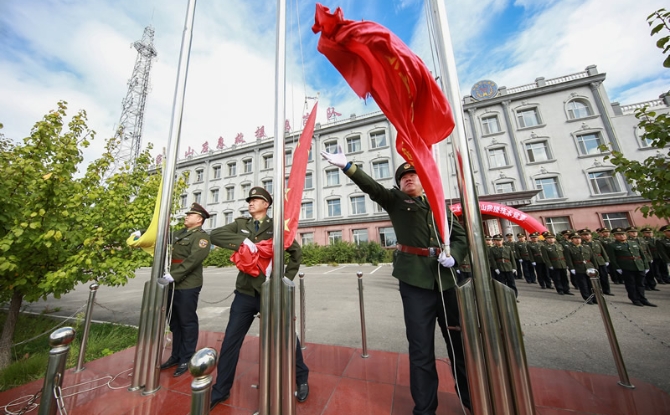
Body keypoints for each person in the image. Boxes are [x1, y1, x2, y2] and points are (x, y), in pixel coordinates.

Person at [321, 151, 471, 414]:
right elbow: (373, 188)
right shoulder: (395, 200)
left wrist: (455, 257)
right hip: (415, 281)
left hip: (446, 282)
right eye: (403, 177)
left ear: (423, 181)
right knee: (421, 348)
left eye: (413, 175)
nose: (408, 179)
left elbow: (460, 238)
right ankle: (425, 409)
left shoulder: (438, 206)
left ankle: (469, 398)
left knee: (458, 343)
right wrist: (348, 166)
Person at [208, 187, 309, 409]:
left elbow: (296, 253)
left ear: (267, 204)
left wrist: (284, 279)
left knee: (286, 338)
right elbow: (215, 235)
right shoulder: (240, 224)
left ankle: (301, 378)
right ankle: (221, 390)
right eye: (250, 200)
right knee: (231, 341)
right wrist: (243, 243)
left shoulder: (277, 227)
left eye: (256, 200)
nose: (251, 203)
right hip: (244, 292)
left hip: (270, 292)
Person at [159, 203, 211, 377]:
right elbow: (162, 235)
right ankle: (176, 355)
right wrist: (143, 232)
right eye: (187, 214)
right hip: (173, 282)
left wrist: (175, 274)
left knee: (186, 321)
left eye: (191, 215)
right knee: (174, 321)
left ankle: (186, 357)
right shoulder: (181, 234)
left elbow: (194, 260)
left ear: (199, 219)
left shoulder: (202, 237)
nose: (186, 216)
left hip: (188, 283)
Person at [606, 227, 656, 307]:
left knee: (641, 284)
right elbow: (613, 258)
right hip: (626, 267)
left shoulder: (634, 243)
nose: (621, 236)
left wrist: (646, 265)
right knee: (631, 284)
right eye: (619, 235)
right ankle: (635, 299)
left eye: (623, 234)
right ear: (614, 236)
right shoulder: (612, 245)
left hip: (639, 266)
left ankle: (643, 299)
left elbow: (642, 255)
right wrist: (617, 268)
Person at [564, 233, 598, 304]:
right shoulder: (569, 248)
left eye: (579, 238)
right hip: (579, 267)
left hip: (589, 267)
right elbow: (569, 259)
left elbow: (592, 258)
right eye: (575, 238)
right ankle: (587, 298)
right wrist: (571, 268)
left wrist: (595, 266)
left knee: (592, 284)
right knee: (583, 284)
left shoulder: (586, 247)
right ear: (572, 240)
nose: (578, 240)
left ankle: (595, 298)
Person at [579, 228, 613, 296]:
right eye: (584, 235)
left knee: (604, 276)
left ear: (591, 235)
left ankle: (606, 290)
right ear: (581, 236)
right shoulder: (582, 244)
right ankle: (597, 291)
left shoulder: (597, 242)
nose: (586, 236)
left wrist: (606, 260)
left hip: (600, 261)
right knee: (594, 278)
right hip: (591, 263)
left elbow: (603, 251)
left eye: (587, 235)